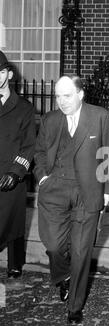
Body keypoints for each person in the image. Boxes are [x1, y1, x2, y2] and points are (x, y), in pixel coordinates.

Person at [34, 75, 109, 324]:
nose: (61, 101)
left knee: (81, 251)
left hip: (87, 192)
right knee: (54, 247)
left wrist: (107, 191)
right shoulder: (50, 119)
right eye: (58, 96)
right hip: (54, 189)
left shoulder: (99, 116)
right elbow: (38, 152)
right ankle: (64, 276)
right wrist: (42, 179)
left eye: (66, 96)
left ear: (80, 94)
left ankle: (75, 305)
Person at [0, 51, 36, 279]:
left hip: (11, 174)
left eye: (0, 72)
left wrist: (16, 172)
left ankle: (15, 263)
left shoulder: (24, 108)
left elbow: (29, 146)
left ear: (9, 74)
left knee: (13, 221)